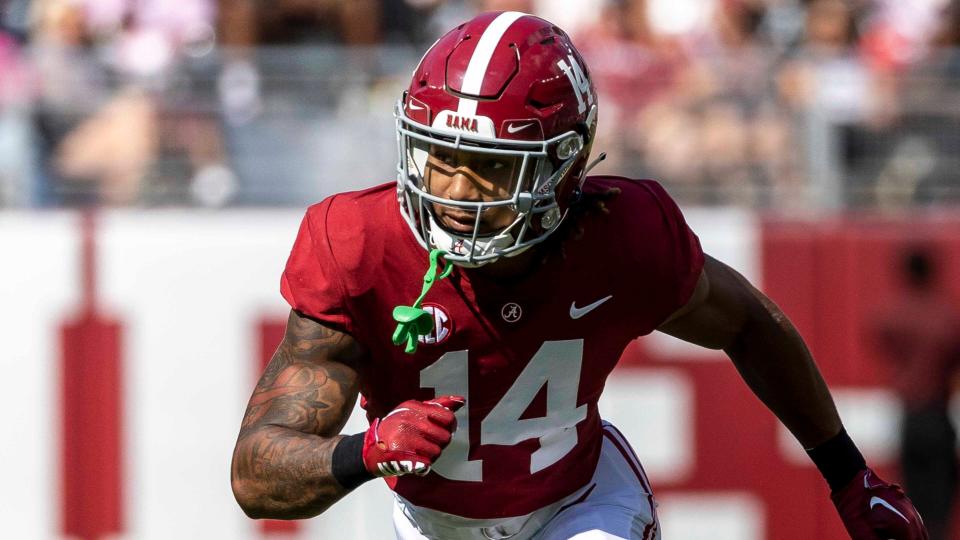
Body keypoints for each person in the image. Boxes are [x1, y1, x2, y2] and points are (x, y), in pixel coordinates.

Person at [230, 11, 927, 540]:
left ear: (563, 167)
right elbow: (258, 472)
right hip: (431, 523)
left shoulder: (618, 236)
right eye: (442, 157)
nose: (458, 190)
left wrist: (848, 475)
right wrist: (365, 449)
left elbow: (747, 321)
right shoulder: (360, 244)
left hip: (581, 503)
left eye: (493, 165)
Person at [871, 247, 960, 540]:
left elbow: (880, 332)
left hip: (909, 418)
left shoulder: (896, 313)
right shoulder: (946, 317)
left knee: (909, 506)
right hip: (937, 416)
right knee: (939, 509)